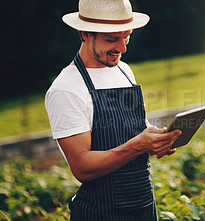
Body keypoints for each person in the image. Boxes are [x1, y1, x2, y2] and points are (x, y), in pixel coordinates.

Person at [44, 0, 181, 220]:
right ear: (85, 33)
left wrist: (155, 138)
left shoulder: (124, 71)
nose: (122, 48)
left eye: (126, 36)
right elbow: (82, 167)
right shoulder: (66, 89)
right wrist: (138, 145)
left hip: (143, 206)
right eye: (112, 39)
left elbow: (132, 127)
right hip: (101, 213)